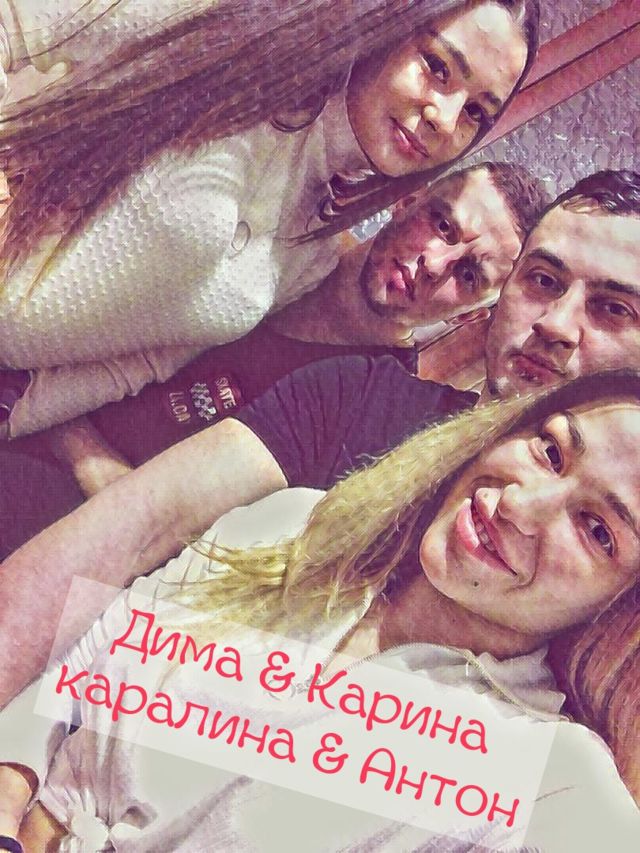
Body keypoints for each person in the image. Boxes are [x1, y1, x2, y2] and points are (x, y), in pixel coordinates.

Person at [1, 371, 639, 851]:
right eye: (550, 450)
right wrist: (10, 785)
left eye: (598, 531)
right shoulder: (299, 524)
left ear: (622, 606)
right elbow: (87, 650)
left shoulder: (550, 773)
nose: (520, 506)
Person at [0, 0, 539, 438]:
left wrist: (16, 415)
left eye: (475, 112)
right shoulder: (236, 32)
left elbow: (142, 361)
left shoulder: (314, 246)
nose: (445, 118)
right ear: (388, 20)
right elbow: (17, 24)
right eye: (437, 67)